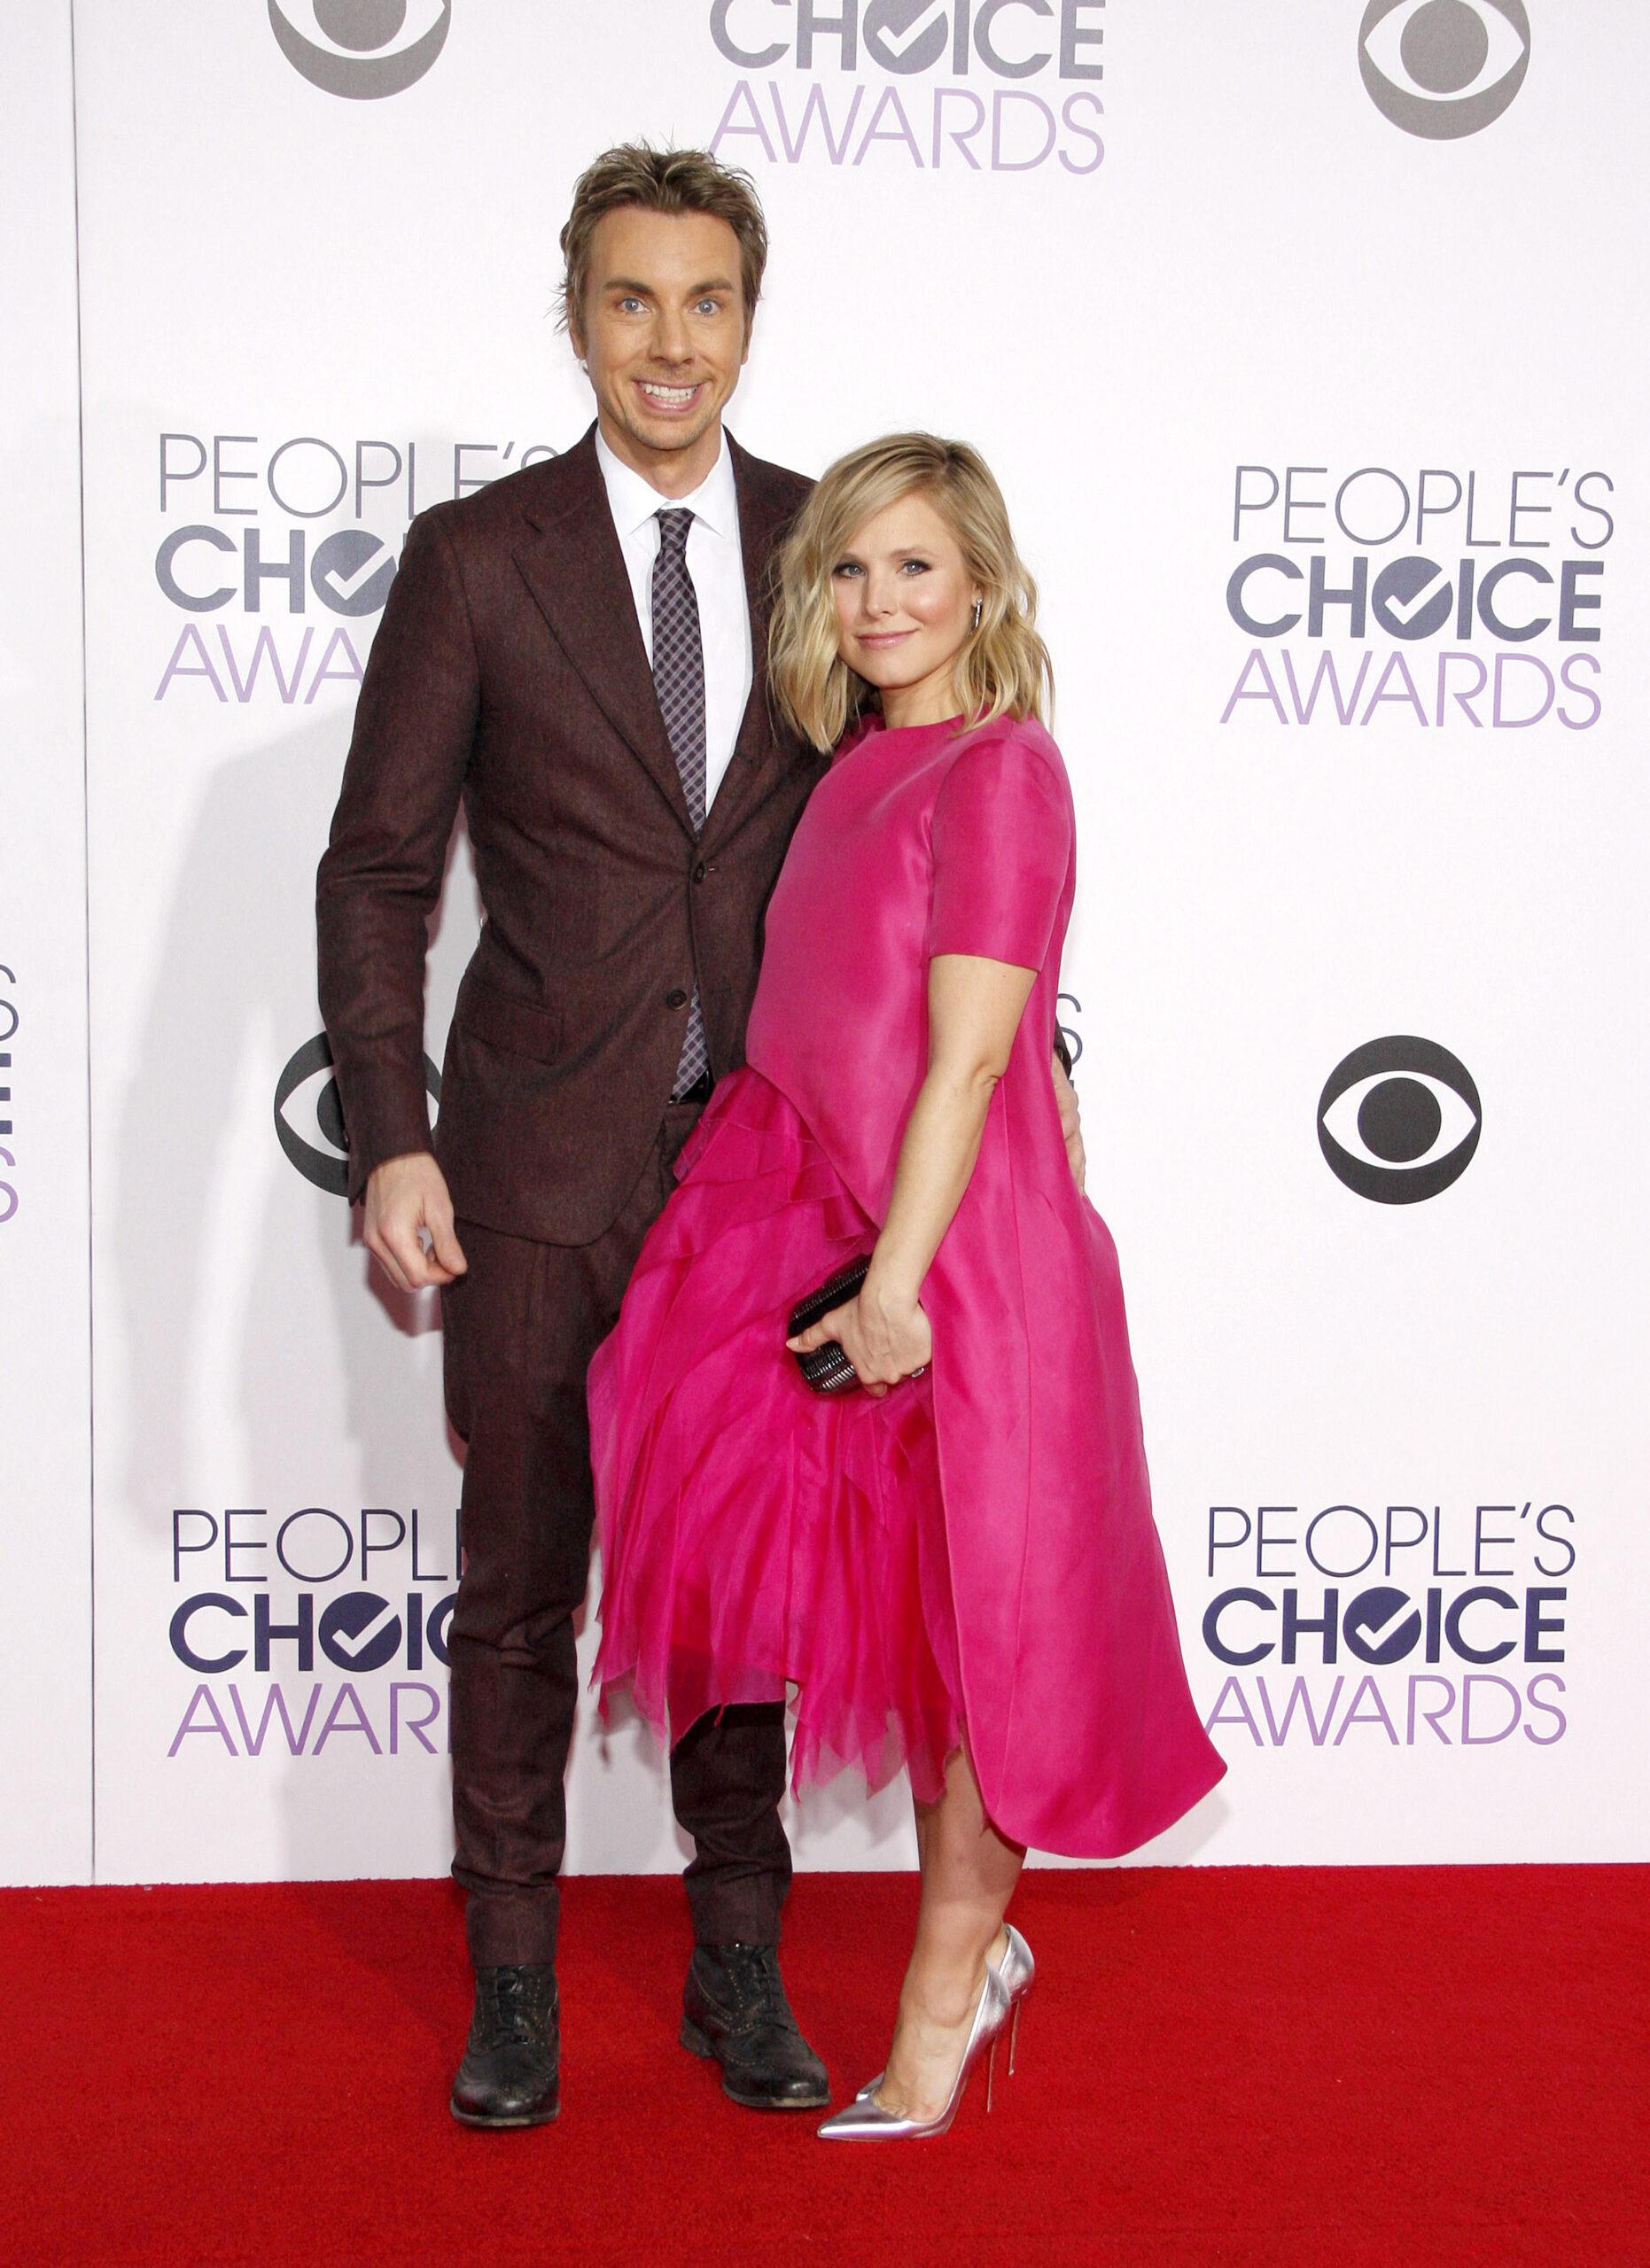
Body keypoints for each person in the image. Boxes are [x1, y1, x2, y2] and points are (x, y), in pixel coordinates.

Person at [317, 140, 1092, 2129]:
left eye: (709, 301)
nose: (671, 342)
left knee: (748, 1590)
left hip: (769, 1173)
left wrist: (1036, 1141)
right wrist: (392, 1133)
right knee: (518, 1581)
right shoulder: (480, 557)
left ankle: (735, 1961)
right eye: (631, 299)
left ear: (752, 317)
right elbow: (380, 866)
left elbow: (936, 866)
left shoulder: (829, 550)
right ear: (577, 313)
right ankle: (508, 1981)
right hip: (530, 1167)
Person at [589, 434, 1226, 2140]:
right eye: (850, 569)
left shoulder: (1001, 768)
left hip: (953, 1264)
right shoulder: (848, 770)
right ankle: (960, 1967)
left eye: (915, 568)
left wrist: (900, 1283)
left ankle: (943, 2002)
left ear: (984, 586)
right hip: (820, 1231)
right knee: (904, 1635)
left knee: (985, 1656)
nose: (879, 601)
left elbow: (962, 1064)